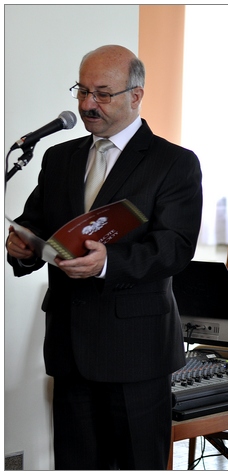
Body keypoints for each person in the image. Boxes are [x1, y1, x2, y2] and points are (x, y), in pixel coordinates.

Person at [6, 45, 203, 469]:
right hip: (69, 347)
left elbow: (174, 248)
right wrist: (22, 248)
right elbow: (36, 225)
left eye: (102, 93)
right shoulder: (59, 157)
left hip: (135, 351)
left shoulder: (173, 163)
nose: (87, 104)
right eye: (82, 91)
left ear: (136, 95)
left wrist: (108, 263)